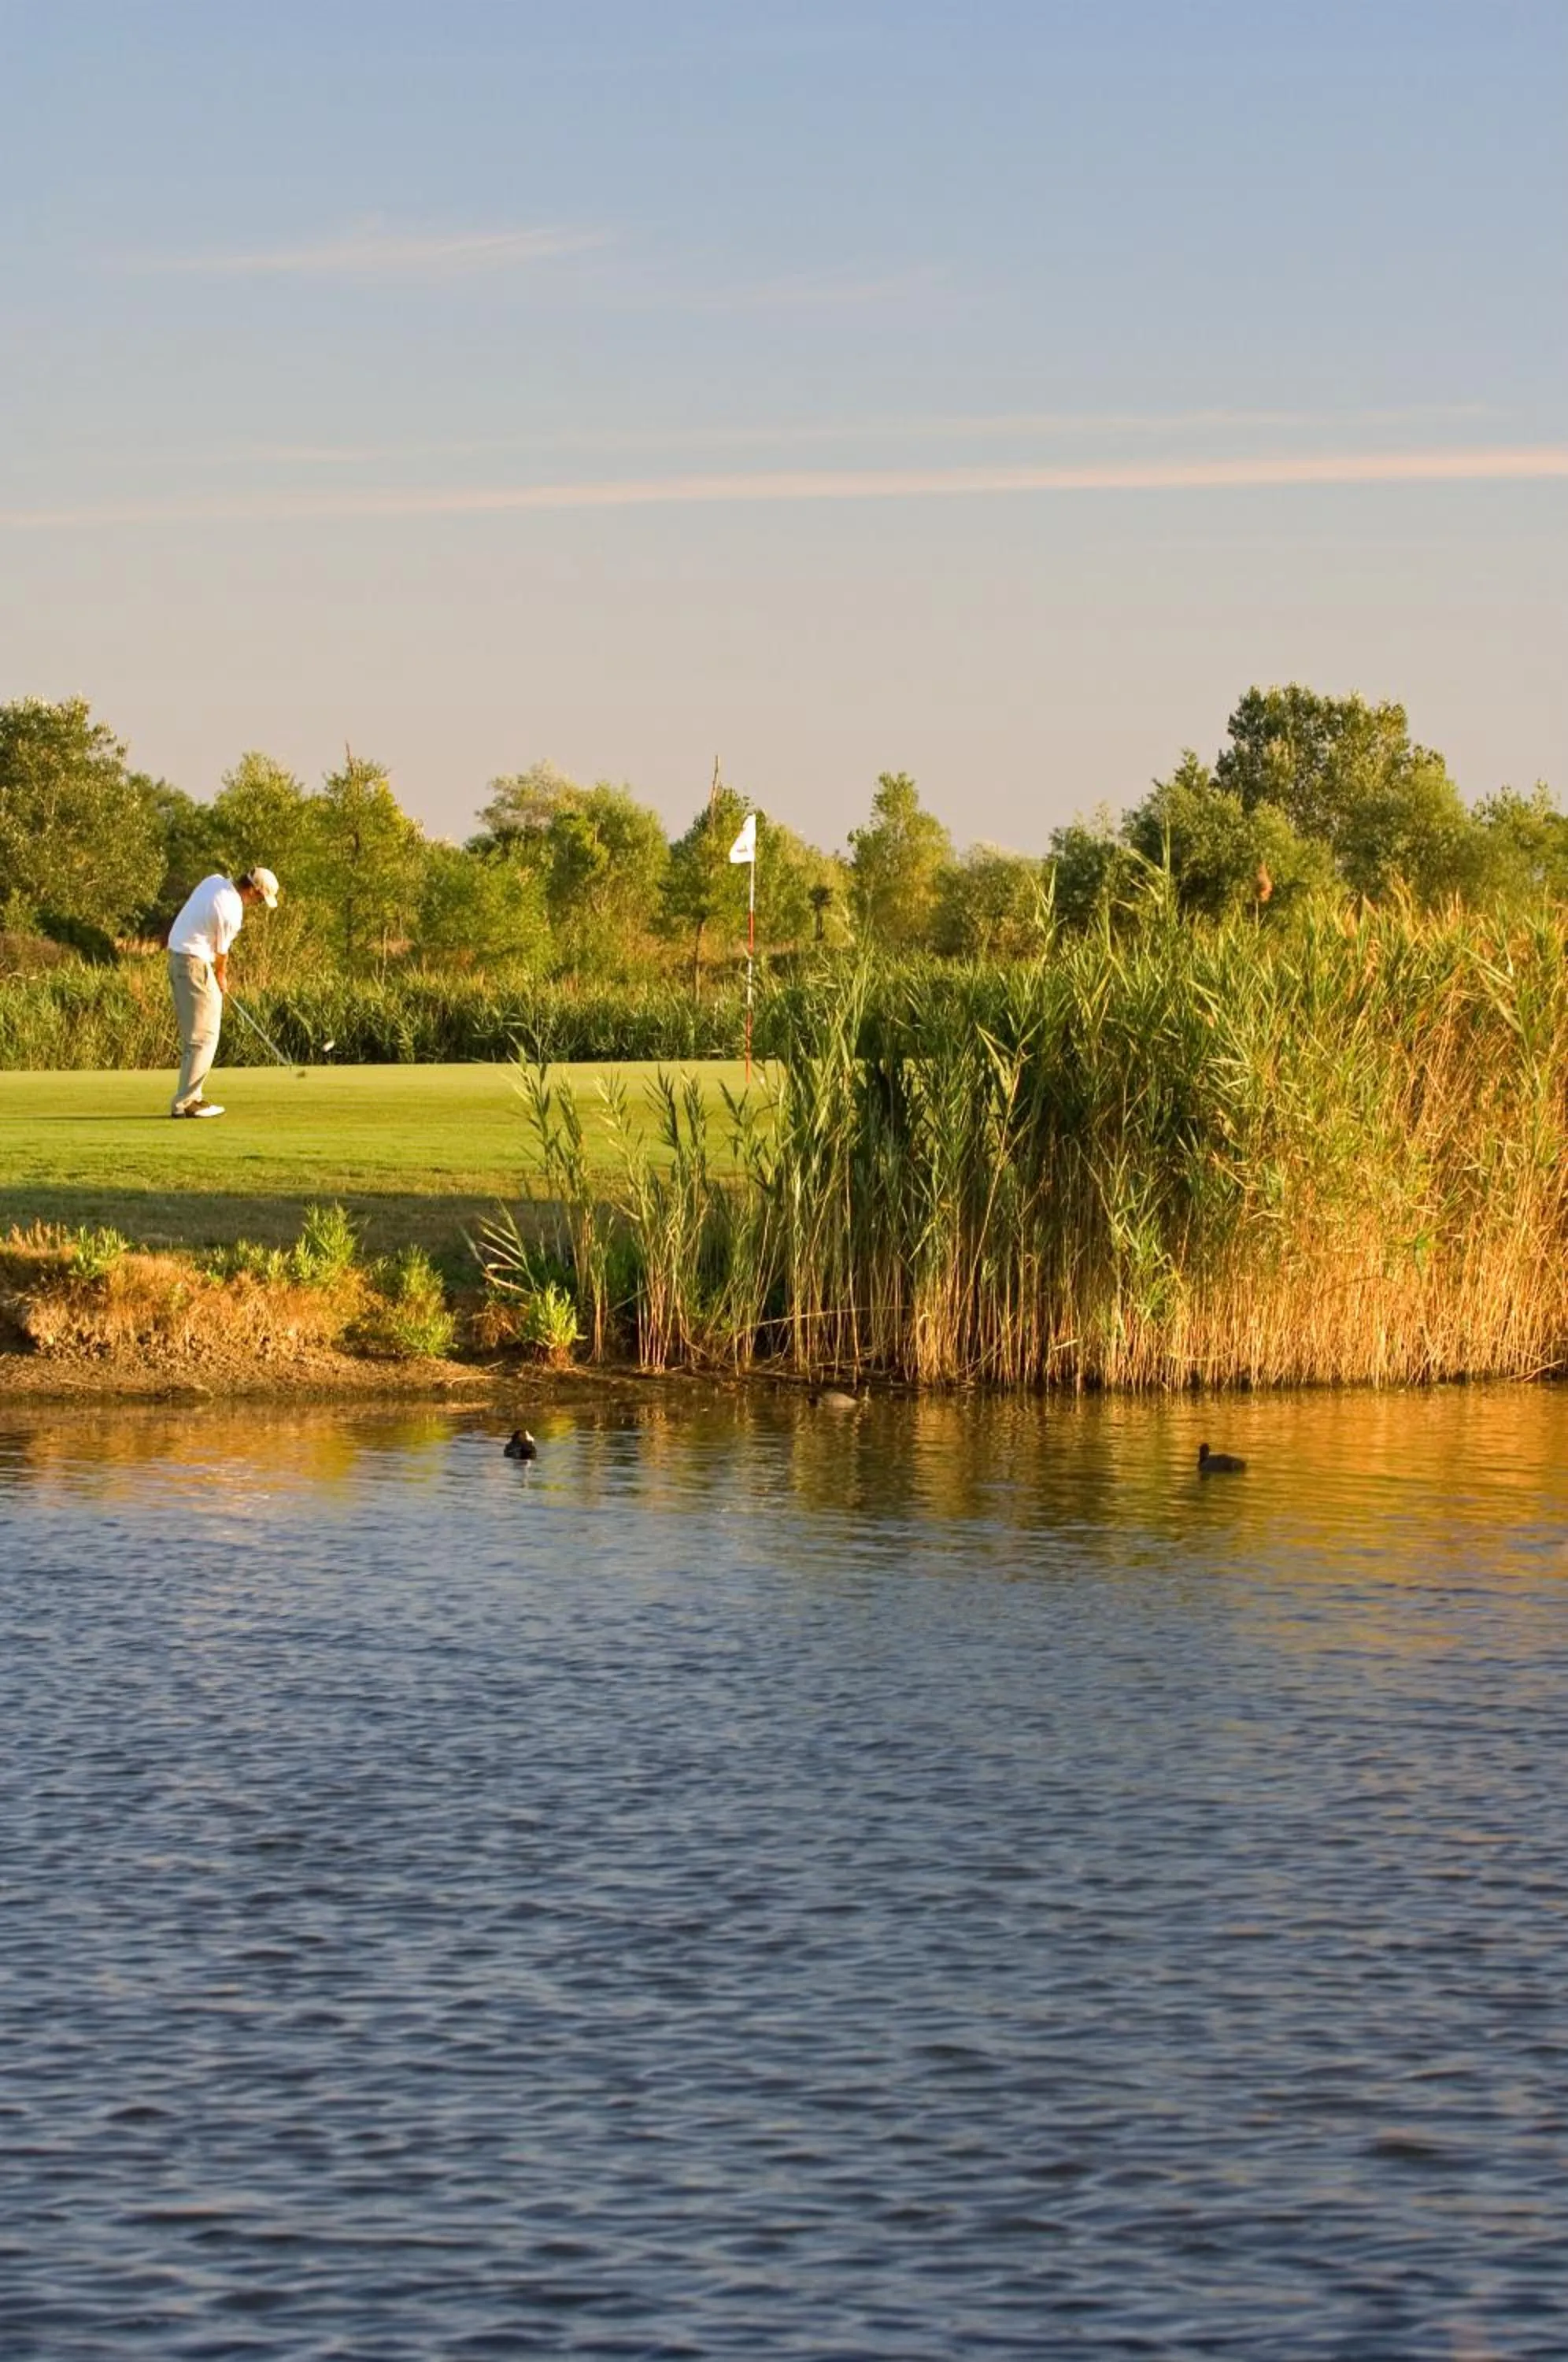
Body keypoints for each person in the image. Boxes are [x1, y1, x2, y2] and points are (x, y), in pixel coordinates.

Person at [165, 866, 279, 1117]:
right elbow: (222, 953)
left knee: (197, 1037)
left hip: (179, 959)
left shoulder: (214, 881)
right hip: (194, 964)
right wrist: (221, 977)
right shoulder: (232, 911)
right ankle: (187, 1103)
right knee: (204, 1036)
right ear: (254, 891)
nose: (257, 905)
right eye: (260, 900)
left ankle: (192, 1097)